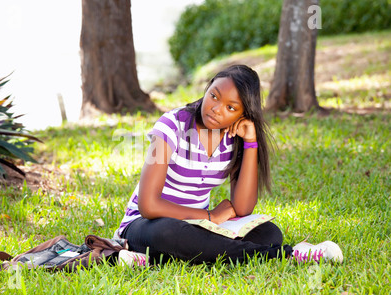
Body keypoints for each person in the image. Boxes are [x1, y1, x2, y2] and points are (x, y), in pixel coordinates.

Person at [115, 65, 343, 267]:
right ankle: (289, 255)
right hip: (145, 225)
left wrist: (251, 143)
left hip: (195, 227)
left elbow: (243, 208)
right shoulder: (171, 126)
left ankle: (151, 259)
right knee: (169, 233)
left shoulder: (234, 140)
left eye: (231, 108)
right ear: (207, 89)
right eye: (214, 96)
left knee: (268, 233)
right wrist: (209, 216)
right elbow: (148, 205)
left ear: (244, 114)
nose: (216, 108)